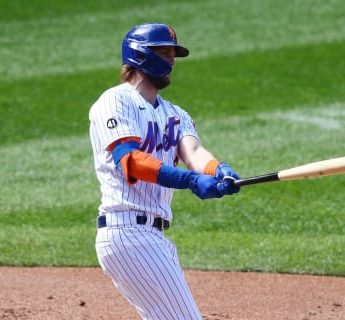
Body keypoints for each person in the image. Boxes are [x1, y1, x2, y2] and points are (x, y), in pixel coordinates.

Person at [88, 23, 241, 320]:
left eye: (173, 54)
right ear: (140, 56)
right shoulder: (115, 101)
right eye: (164, 52)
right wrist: (191, 180)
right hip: (127, 232)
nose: (172, 60)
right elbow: (130, 160)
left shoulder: (176, 113)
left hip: (153, 238)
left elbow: (194, 153)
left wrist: (218, 170)